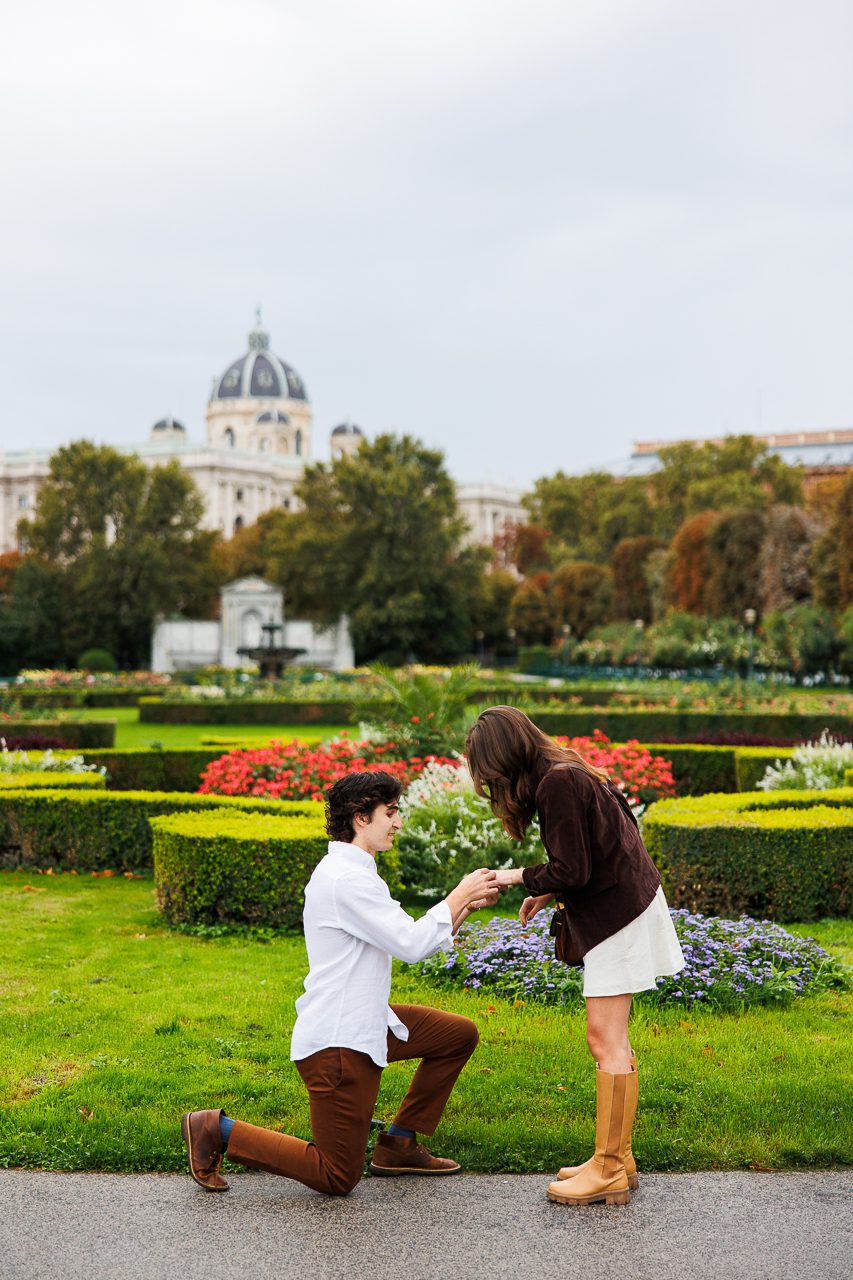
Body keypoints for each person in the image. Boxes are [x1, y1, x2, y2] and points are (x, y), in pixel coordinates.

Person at [181, 770, 498, 1196]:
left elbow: (408, 937)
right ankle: (215, 1129)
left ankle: (399, 1144)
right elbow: (409, 943)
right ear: (360, 817)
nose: (398, 823)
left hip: (368, 1021)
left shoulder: (355, 872)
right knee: (336, 1176)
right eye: (390, 813)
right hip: (340, 1042)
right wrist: (459, 893)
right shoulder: (346, 879)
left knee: (456, 1035)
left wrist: (465, 905)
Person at [465, 706, 684, 1208]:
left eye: (487, 772)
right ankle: (618, 1158)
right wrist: (552, 887)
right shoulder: (567, 769)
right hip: (628, 904)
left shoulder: (555, 784)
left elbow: (574, 869)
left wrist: (519, 877)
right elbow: (589, 853)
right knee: (616, 1038)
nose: (488, 783)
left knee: (604, 1038)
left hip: (616, 915)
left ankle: (608, 1168)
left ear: (504, 758)